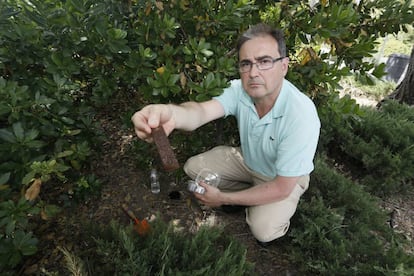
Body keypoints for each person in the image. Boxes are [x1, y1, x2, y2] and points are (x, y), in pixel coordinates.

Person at [131, 23, 320, 246]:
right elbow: (200, 112)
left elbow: (281, 187)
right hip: (248, 160)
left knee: (264, 230)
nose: (253, 72)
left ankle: (258, 203)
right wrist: (171, 112)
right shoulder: (239, 90)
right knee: (193, 168)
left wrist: (222, 199)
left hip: (282, 177)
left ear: (284, 66)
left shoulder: (301, 115)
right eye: (246, 63)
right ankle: (250, 194)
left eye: (264, 61)